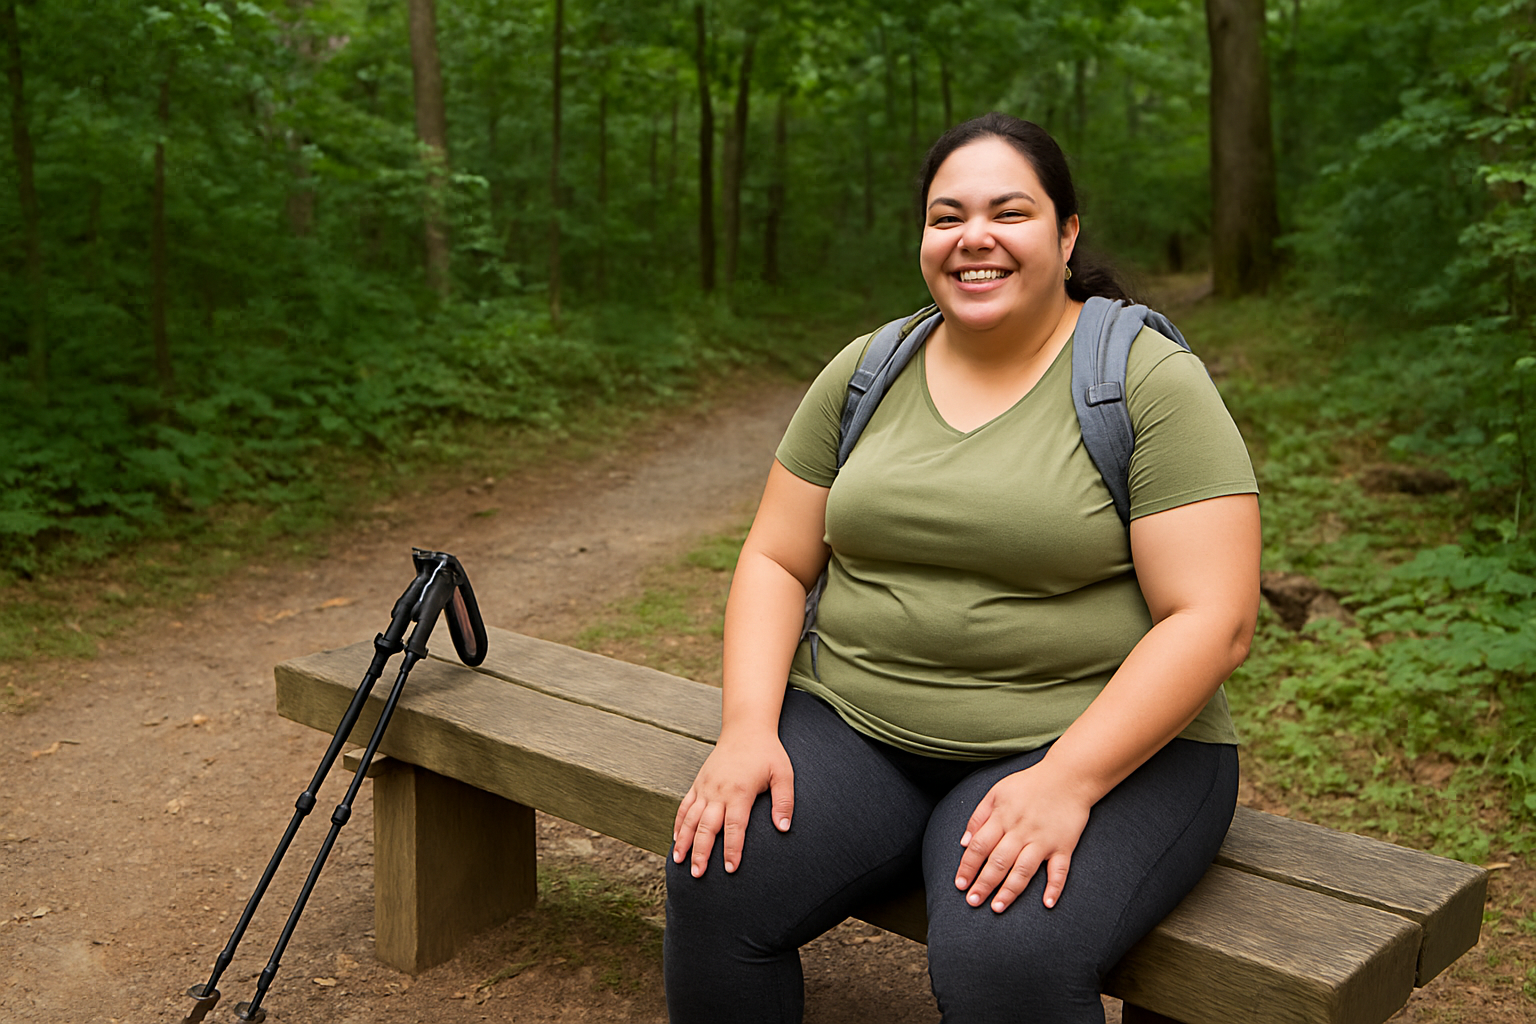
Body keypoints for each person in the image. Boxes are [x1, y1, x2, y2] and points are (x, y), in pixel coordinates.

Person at [664, 112, 1260, 1024]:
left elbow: (1212, 619)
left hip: (1094, 744)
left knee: (1005, 955)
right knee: (717, 872)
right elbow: (778, 558)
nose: (973, 237)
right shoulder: (868, 369)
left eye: (1008, 212)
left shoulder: (1142, 380)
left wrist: (1066, 781)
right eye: (948, 217)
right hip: (860, 727)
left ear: (1065, 235)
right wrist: (748, 729)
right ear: (924, 240)